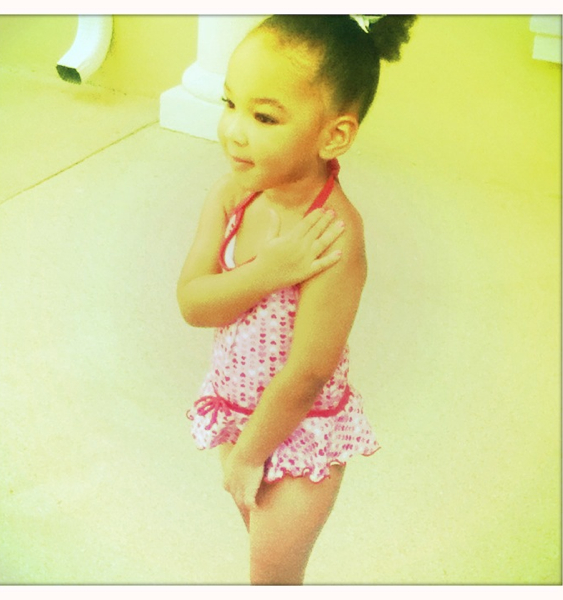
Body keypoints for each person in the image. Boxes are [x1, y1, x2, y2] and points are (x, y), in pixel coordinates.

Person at [178, 14, 416, 585]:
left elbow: (309, 372)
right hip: (237, 412)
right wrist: (270, 271)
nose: (234, 130)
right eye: (230, 103)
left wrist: (248, 455)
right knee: (264, 557)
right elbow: (194, 303)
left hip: (299, 436)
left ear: (333, 136)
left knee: (272, 577)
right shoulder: (232, 196)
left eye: (263, 117)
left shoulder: (334, 233)